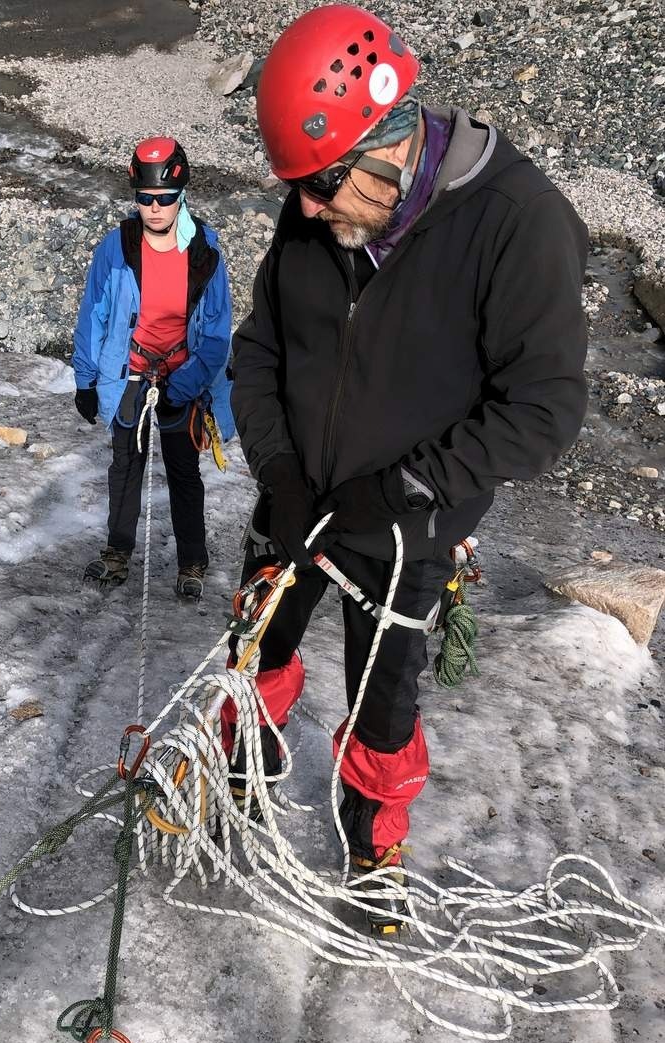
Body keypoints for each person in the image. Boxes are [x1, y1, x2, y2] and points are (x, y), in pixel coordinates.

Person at [230, 3, 588, 925]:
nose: (304, 208)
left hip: (407, 521)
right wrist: (278, 467)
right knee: (257, 642)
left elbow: (543, 411)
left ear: (389, 143)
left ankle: (372, 846)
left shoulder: (519, 223)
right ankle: (244, 768)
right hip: (299, 494)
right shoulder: (323, 203)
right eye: (297, 186)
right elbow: (262, 347)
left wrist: (401, 491)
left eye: (321, 184)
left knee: (384, 692)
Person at [73, 137, 235, 601]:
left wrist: (181, 388)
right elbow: (95, 314)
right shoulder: (117, 246)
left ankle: (192, 561)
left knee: (184, 471)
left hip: (183, 378)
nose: (155, 208)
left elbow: (217, 334)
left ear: (181, 195)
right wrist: (85, 379)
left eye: (165, 199)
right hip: (130, 372)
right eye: (145, 199)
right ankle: (117, 552)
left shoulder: (204, 250)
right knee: (125, 465)